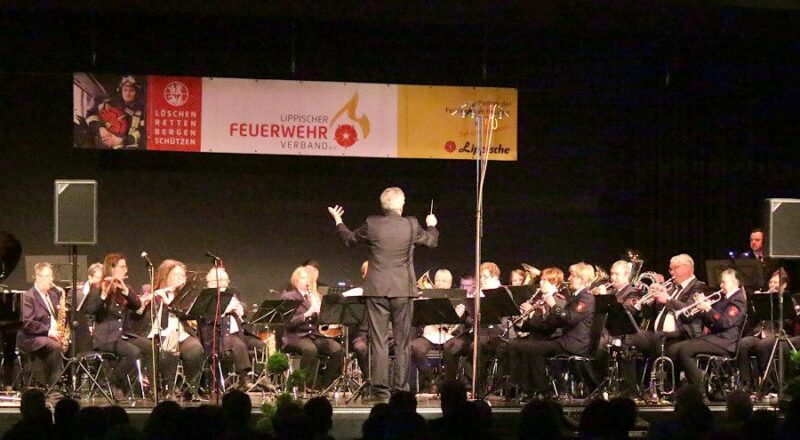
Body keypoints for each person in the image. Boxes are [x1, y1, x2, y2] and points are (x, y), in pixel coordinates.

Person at [328, 186, 438, 400]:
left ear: (383, 205)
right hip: (402, 290)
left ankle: (380, 390)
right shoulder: (411, 224)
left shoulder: (372, 223)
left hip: (377, 290)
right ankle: (400, 389)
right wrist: (432, 226)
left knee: (377, 340)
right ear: (401, 204)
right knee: (402, 342)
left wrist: (338, 221)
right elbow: (432, 242)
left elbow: (349, 239)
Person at [517, 262, 596, 398]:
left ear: (582, 279)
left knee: (533, 348)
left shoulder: (586, 297)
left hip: (574, 344)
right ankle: (531, 389)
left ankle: (542, 391)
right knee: (526, 346)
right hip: (566, 341)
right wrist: (537, 315)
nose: (569, 278)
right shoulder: (575, 296)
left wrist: (553, 305)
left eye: (573, 275)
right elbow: (556, 321)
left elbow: (569, 318)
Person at [666, 268, 746, 393]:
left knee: (685, 351)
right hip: (714, 338)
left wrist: (708, 309)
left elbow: (724, 323)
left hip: (725, 343)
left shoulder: (738, 299)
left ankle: (699, 389)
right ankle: (675, 389)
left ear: (735, 282)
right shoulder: (724, 299)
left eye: (724, 282)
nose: (721, 286)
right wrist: (702, 309)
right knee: (672, 349)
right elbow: (712, 323)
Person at [83, 253, 145, 399]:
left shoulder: (123, 288)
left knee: (149, 348)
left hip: (121, 336)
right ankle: (113, 381)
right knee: (134, 352)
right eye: (122, 267)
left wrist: (125, 290)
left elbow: (137, 305)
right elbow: (90, 311)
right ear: (112, 269)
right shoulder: (98, 287)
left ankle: (138, 387)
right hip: (105, 338)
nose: (126, 270)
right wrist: (103, 295)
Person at [146, 259, 205, 396]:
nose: (181, 279)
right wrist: (155, 298)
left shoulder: (187, 296)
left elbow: (190, 316)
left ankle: (190, 388)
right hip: (159, 336)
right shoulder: (155, 294)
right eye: (176, 275)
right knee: (167, 352)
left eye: (183, 276)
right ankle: (168, 389)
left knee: (195, 349)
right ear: (166, 277)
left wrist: (170, 304)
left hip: (182, 334)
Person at [281, 266, 343, 389]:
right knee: (310, 350)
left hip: (313, 334)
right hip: (295, 335)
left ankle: (325, 384)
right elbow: (288, 322)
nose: (307, 281)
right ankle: (304, 385)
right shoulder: (288, 297)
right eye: (304, 278)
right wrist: (307, 314)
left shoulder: (316, 296)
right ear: (296, 280)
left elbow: (320, 323)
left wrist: (322, 313)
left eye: (309, 278)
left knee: (338, 350)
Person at [202, 267, 265, 389]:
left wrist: (239, 308)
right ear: (210, 283)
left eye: (226, 280)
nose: (224, 283)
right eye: (220, 280)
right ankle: (244, 379)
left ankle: (260, 378)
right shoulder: (206, 297)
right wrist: (225, 309)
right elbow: (206, 318)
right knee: (238, 344)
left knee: (260, 345)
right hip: (218, 336)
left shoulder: (232, 294)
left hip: (238, 334)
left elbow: (244, 308)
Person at [737, 269, 788, 390]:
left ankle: (768, 384)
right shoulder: (764, 297)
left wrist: (776, 307)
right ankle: (747, 383)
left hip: (778, 335)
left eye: (776, 283)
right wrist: (756, 305)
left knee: (763, 345)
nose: (772, 285)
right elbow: (752, 322)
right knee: (743, 344)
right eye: (771, 282)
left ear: (784, 285)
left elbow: (788, 323)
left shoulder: (787, 299)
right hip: (760, 333)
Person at [410, 268, 459, 392]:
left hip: (448, 336)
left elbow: (459, 323)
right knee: (414, 347)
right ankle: (432, 381)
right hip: (430, 335)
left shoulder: (457, 299)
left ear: (450, 283)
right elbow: (417, 319)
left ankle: (448, 386)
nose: (440, 283)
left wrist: (458, 315)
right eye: (438, 280)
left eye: (444, 281)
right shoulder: (427, 297)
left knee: (452, 348)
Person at [16, 262, 64, 387]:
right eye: (48, 276)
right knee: (56, 346)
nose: (51, 279)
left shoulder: (53, 295)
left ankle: (66, 383)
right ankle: (54, 386)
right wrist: (49, 331)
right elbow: (27, 323)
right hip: (31, 338)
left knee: (69, 345)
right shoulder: (29, 296)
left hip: (49, 335)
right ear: (38, 277)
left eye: (51, 276)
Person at [85, 75, 145, 149]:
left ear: (136, 92)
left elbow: (143, 131)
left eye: (131, 90)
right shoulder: (109, 103)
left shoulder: (142, 110)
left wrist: (122, 140)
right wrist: (100, 128)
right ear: (121, 91)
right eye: (125, 90)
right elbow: (91, 114)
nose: (127, 93)